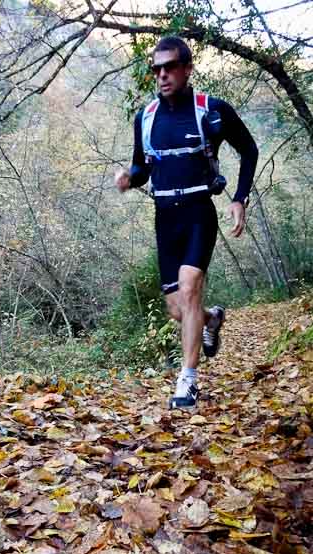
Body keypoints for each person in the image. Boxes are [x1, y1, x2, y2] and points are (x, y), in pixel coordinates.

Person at [115, 36, 258, 408]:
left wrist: (240, 199)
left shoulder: (211, 110)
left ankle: (188, 381)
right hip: (165, 217)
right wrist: (129, 178)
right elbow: (143, 167)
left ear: (187, 69)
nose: (162, 75)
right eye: (156, 69)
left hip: (198, 213)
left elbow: (249, 149)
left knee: (191, 287)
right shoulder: (145, 118)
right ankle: (211, 320)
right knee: (180, 310)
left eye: (170, 67)